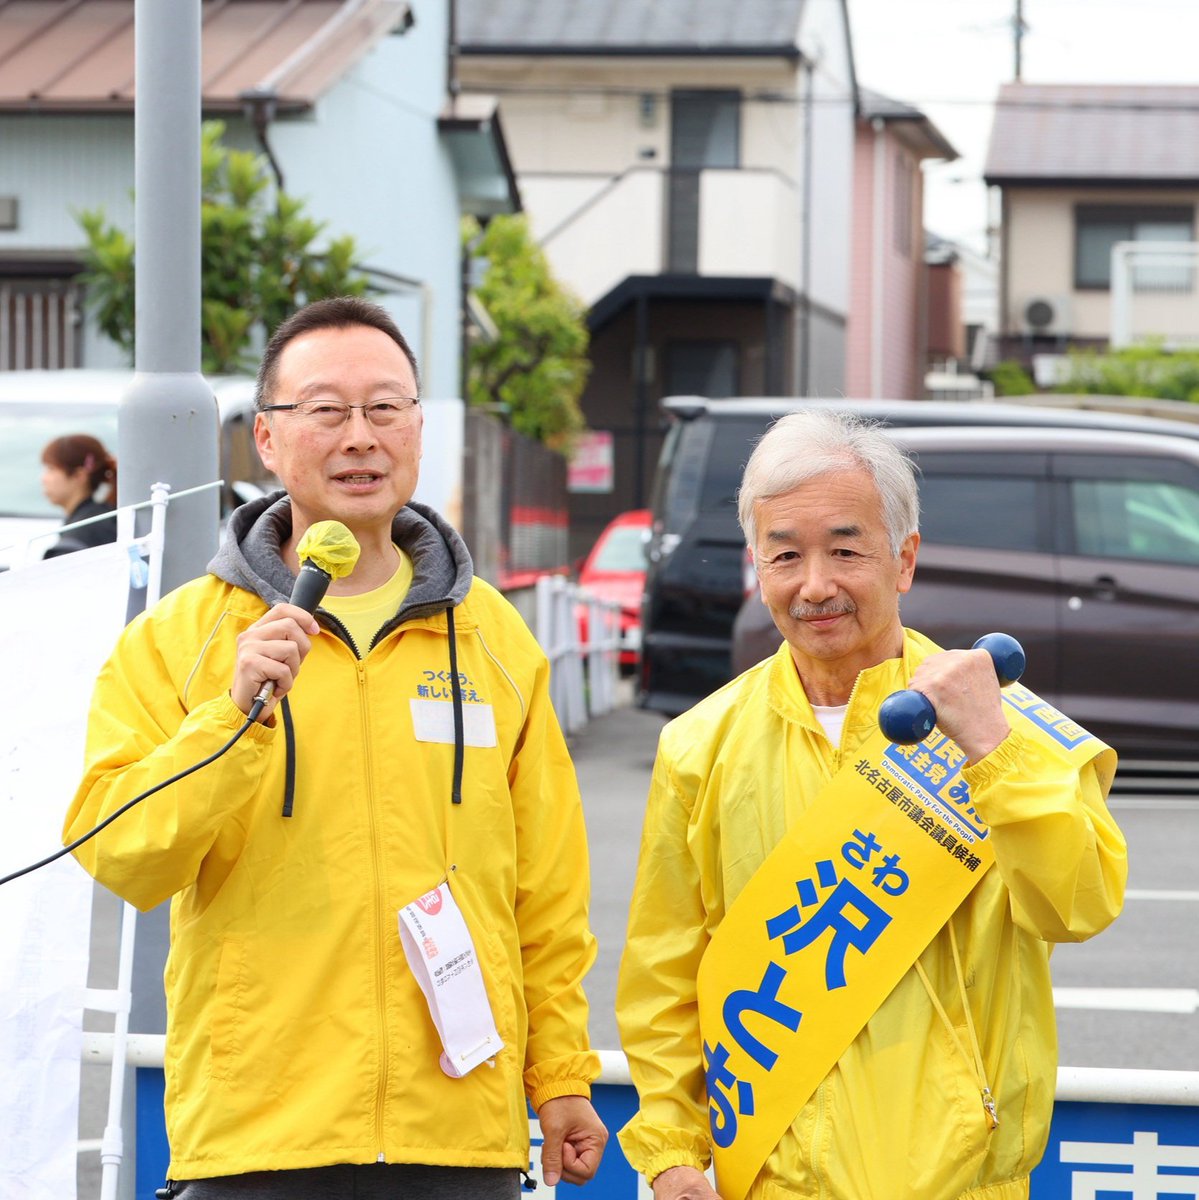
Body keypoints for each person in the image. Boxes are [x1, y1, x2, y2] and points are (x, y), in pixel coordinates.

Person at [64, 297, 608, 1198]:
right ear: (268, 441)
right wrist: (228, 719)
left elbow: (545, 893)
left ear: (418, 429)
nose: (360, 436)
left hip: (458, 1136)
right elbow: (120, 854)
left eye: (384, 408)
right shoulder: (181, 639)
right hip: (260, 1134)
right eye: (325, 410)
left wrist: (559, 1077)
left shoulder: (496, 642)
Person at [615, 410, 1127, 1200]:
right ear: (757, 567)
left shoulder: (996, 720)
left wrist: (993, 749)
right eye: (784, 555)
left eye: (845, 551)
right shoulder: (699, 744)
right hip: (768, 1179)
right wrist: (673, 1152)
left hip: (959, 1180)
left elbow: (1078, 904)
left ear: (904, 560)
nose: (814, 584)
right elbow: (664, 974)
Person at [40, 433, 118, 554]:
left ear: (79, 475)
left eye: (51, 469)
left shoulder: (81, 534)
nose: (43, 479)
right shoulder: (102, 518)